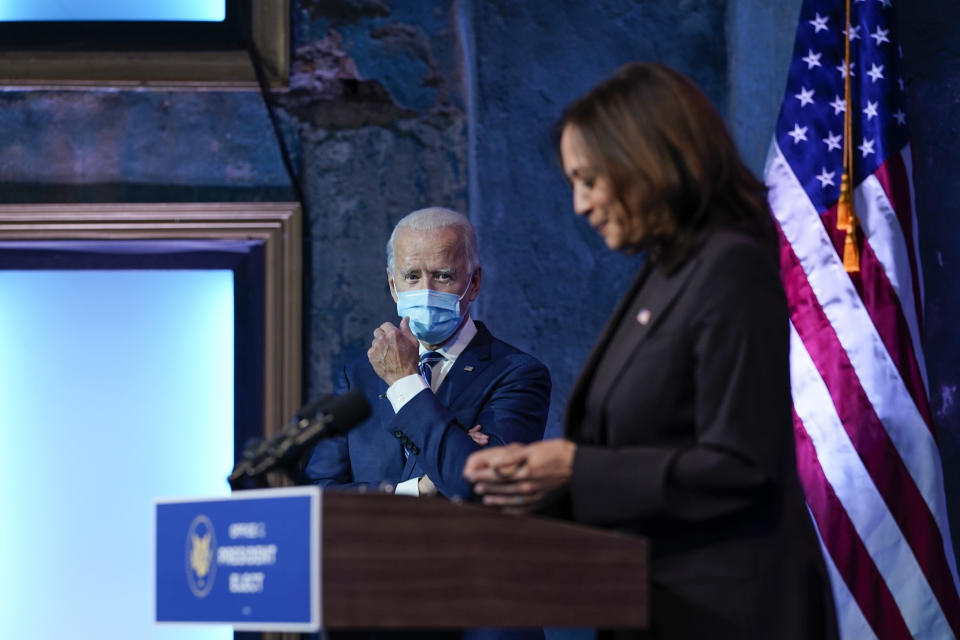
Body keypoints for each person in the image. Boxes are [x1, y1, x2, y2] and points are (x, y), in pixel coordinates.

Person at [462, 63, 838, 639]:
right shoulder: (666, 274)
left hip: (730, 616)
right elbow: (637, 455)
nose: (580, 206)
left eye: (589, 179)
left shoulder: (730, 269)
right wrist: (535, 484)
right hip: (657, 605)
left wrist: (573, 467)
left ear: (644, 160)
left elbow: (742, 469)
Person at [304, 206, 551, 501]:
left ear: (473, 283)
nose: (426, 290)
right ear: (393, 286)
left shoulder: (517, 374)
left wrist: (405, 381)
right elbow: (318, 496)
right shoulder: (359, 375)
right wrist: (418, 489)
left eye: (443, 276)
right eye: (411, 276)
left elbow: (480, 488)